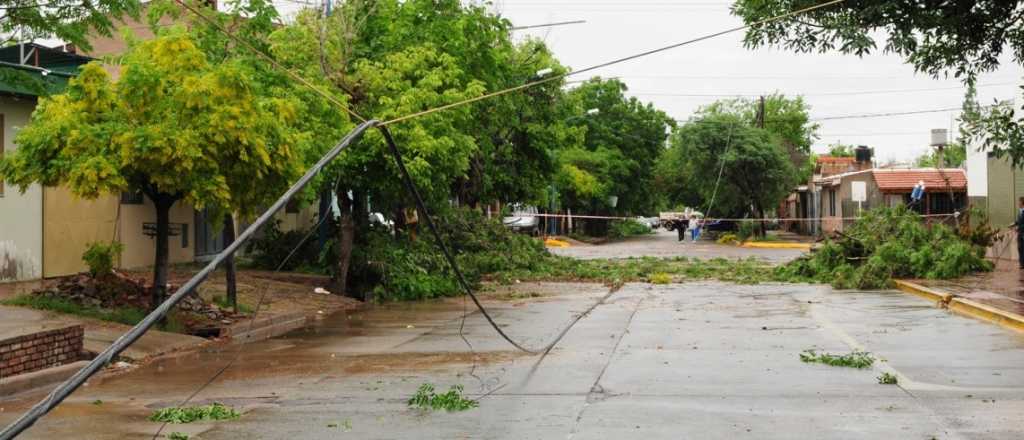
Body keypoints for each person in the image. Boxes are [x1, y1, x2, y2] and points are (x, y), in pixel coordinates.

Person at [1016, 197, 1024, 269]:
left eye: (1019, 202)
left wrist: (1020, 227)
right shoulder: (1019, 211)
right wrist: (1013, 224)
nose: (1018, 203)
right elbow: (1018, 221)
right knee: (1020, 248)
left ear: (1022, 202)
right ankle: (1021, 263)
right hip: (1020, 233)